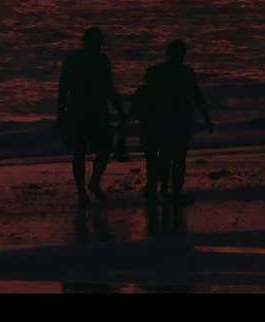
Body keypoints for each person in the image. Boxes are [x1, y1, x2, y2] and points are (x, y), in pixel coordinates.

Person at [136, 39, 213, 203]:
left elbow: (145, 96)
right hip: (179, 119)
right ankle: (173, 191)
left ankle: (163, 188)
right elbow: (197, 97)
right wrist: (207, 118)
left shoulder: (155, 72)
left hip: (163, 119)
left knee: (165, 155)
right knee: (178, 157)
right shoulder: (186, 72)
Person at [56, 27, 127, 201]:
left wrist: (61, 111)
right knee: (91, 150)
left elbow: (64, 88)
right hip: (88, 109)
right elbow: (108, 88)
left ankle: (88, 187)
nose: (98, 46)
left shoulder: (77, 59)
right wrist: (119, 109)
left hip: (84, 108)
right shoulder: (95, 60)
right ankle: (87, 187)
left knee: (90, 150)